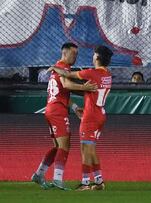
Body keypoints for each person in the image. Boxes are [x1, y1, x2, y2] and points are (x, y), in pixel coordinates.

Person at [31, 42, 97, 190]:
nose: (75, 57)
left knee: (56, 147)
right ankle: (57, 179)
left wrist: (74, 107)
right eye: (73, 54)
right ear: (65, 53)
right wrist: (83, 87)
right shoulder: (63, 67)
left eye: (77, 54)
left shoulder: (59, 67)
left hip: (51, 109)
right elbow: (67, 85)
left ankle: (39, 174)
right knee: (65, 145)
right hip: (57, 111)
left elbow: (62, 92)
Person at [49, 45, 113, 191]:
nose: (92, 56)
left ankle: (85, 183)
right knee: (91, 148)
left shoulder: (92, 73)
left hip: (90, 116)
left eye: (93, 54)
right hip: (100, 114)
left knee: (86, 149)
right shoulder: (107, 74)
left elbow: (69, 76)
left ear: (97, 57)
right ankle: (99, 181)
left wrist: (55, 68)